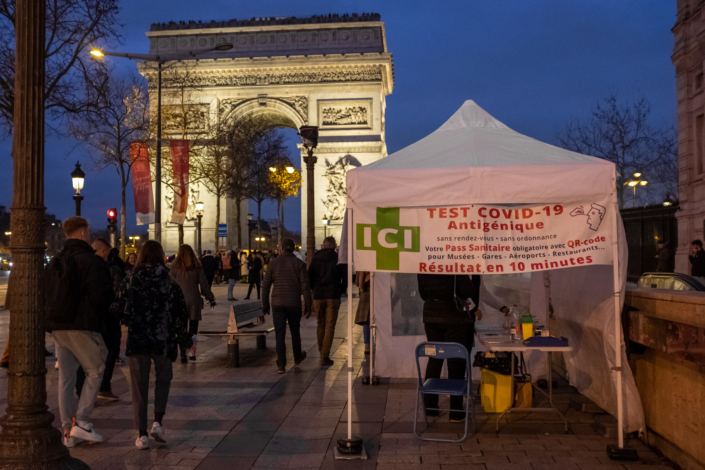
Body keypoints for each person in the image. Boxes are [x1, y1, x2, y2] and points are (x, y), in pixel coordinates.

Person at [111, 240, 193, 450]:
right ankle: (158, 422)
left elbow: (116, 308)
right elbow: (181, 314)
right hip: (163, 339)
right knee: (163, 381)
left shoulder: (130, 280)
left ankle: (141, 435)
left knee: (139, 387)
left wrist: (127, 319)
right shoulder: (169, 281)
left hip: (138, 339)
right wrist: (184, 341)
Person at [44, 216, 114, 447]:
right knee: (96, 370)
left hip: (58, 327)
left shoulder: (56, 260)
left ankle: (67, 431)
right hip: (82, 326)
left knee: (66, 377)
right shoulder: (90, 261)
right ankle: (81, 422)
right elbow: (102, 297)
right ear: (84, 232)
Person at [417, 273, 479, 422]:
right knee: (456, 361)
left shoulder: (425, 266)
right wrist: (475, 278)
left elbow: (423, 294)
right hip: (454, 317)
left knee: (434, 358)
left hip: (430, 316)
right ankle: (456, 411)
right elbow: (470, 291)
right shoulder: (455, 265)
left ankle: (431, 408)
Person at [75, 238, 125, 402]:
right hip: (105, 319)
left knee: (84, 358)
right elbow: (115, 294)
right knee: (109, 353)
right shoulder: (110, 269)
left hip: (85, 319)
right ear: (103, 251)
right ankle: (101, 388)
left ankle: (81, 391)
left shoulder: (80, 265)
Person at [262, 238, 312, 374]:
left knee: (280, 333)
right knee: (295, 331)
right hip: (293, 303)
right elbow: (305, 287)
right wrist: (308, 305)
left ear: (282, 248)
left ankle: (281, 364)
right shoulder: (299, 264)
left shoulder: (273, 263)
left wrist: (265, 304)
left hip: (277, 303)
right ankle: (297, 357)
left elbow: (265, 285)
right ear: (294, 248)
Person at [169, 244, 216, 363]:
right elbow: (204, 284)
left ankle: (182, 353)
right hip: (194, 299)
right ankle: (191, 352)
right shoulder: (197, 265)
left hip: (179, 301)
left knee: (181, 328)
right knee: (193, 328)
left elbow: (169, 284)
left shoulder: (174, 266)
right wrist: (210, 298)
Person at [309, 237, 347, 367]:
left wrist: (315, 289)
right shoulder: (339, 259)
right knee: (330, 326)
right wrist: (340, 290)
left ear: (323, 246)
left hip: (319, 295)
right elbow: (345, 278)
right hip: (333, 295)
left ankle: (322, 352)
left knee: (320, 324)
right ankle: (324, 355)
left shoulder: (315, 258)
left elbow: (310, 276)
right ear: (335, 246)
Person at [354, 271, 371, 354]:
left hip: (366, 294)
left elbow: (357, 282)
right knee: (379, 320)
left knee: (366, 321)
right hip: (379, 294)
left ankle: (367, 345)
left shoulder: (362, 264)